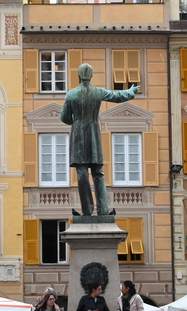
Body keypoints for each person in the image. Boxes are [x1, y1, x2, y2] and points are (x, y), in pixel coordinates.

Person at [58, 62, 140, 217]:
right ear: (91, 76)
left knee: (82, 174)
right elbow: (117, 96)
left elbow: (64, 117)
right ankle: (103, 210)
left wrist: (75, 121)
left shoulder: (71, 94)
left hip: (78, 135)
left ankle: (87, 211)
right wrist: (131, 91)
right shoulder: (98, 92)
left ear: (79, 76)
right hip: (94, 133)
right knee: (98, 172)